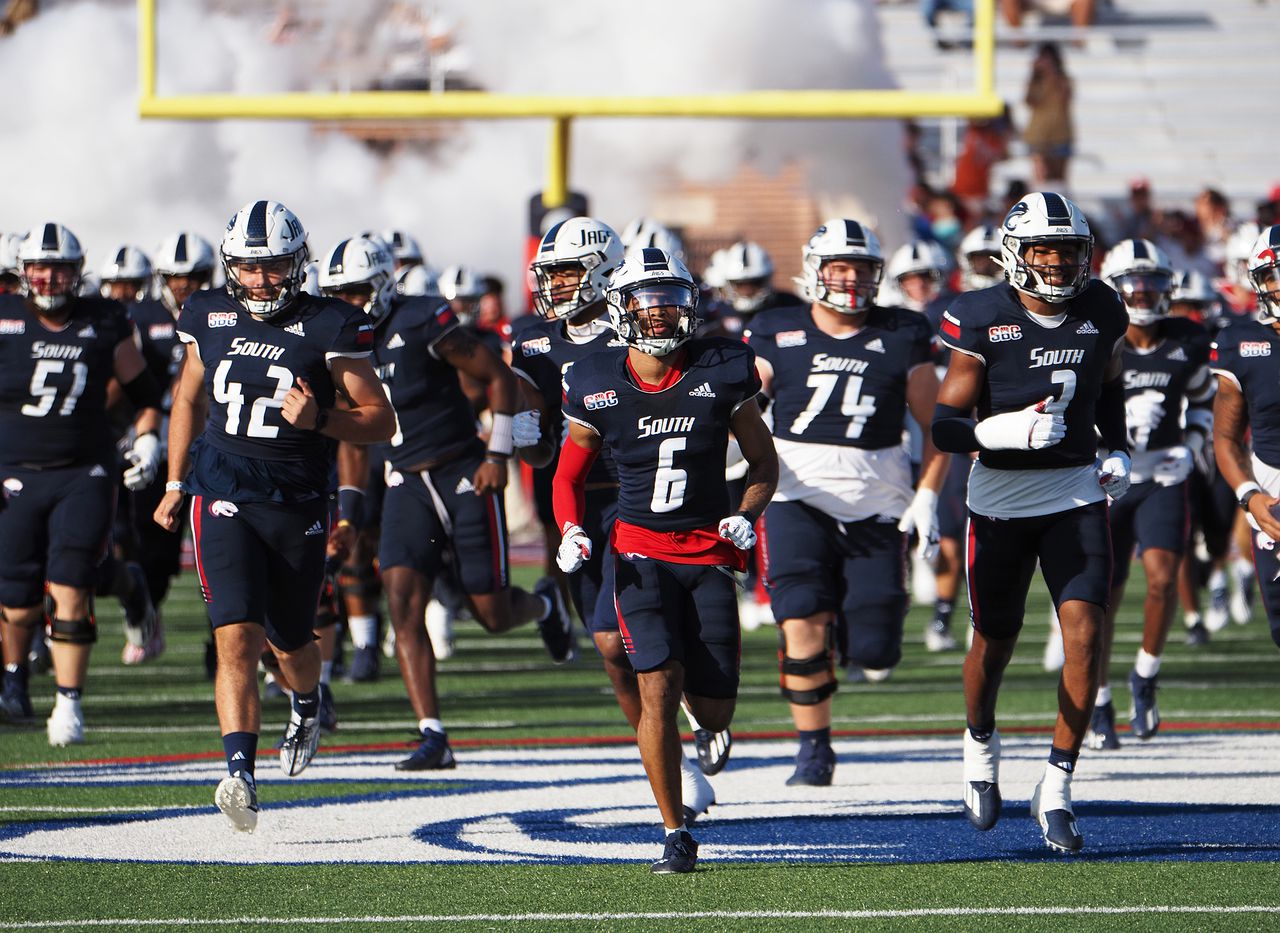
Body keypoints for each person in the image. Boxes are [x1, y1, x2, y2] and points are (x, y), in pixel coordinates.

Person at [154, 201, 395, 833]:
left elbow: (380, 419)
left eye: (275, 267)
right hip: (222, 487)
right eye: (251, 268)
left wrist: (320, 418)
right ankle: (239, 772)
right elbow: (186, 396)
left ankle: (308, 701)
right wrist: (176, 480)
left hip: (296, 498)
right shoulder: (206, 311)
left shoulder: (331, 324)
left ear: (298, 265)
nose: (262, 281)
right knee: (235, 635)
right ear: (233, 266)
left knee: (293, 639)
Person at [554, 247, 777, 874]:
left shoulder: (723, 369)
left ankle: (706, 731)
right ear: (623, 309)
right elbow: (567, 476)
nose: (661, 318)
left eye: (672, 304)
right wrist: (571, 530)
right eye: (649, 306)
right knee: (657, 686)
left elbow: (763, 464)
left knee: (713, 708)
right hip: (637, 553)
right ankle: (675, 832)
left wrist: (746, 513)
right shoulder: (597, 380)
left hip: (707, 554)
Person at [318, 234, 572, 773]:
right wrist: (348, 512)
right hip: (404, 480)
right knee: (403, 601)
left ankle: (545, 604)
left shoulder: (421, 319)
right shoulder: (335, 341)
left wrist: (497, 455)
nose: (349, 303)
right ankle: (432, 733)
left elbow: (497, 376)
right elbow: (351, 435)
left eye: (357, 290)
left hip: (462, 470)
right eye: (338, 293)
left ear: (385, 283)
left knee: (493, 613)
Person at [931, 192, 1130, 853]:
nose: (1056, 262)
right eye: (1044, 249)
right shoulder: (982, 315)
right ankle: (980, 743)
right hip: (1000, 498)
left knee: (1087, 630)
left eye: (1068, 250)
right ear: (1016, 253)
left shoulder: (1102, 306)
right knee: (995, 639)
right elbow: (945, 423)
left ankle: (1058, 782)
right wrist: (998, 428)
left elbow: (1108, 385)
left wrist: (1119, 444)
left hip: (1074, 492)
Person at [514, 215, 721, 811]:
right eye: (548, 275)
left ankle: (683, 736)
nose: (554, 286)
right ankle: (666, 751)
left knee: (612, 636)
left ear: (603, 271)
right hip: (574, 498)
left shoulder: (637, 326)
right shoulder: (530, 339)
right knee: (608, 641)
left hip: (642, 497)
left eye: (567, 273)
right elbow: (529, 418)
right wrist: (520, 429)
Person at [745, 220, 947, 785]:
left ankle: (852, 628)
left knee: (878, 652)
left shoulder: (903, 331)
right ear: (815, 270)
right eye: (840, 267)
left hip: (878, 499)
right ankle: (813, 748)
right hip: (796, 492)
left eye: (861, 267)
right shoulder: (774, 330)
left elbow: (937, 425)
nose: (851, 278)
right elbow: (742, 404)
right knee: (800, 616)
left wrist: (928, 493)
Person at [0, 223, 163, 743]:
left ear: (78, 270)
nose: (49, 278)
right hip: (14, 472)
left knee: (71, 584)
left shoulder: (105, 319)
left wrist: (148, 441)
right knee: (17, 600)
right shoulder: (4, 319)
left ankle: (68, 703)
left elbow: (144, 393)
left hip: (83, 473)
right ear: (24, 273)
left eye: (61, 268)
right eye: (40, 268)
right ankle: (14, 680)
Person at [1085, 240, 1213, 750]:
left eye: (1152, 282)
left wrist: (1195, 445)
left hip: (1163, 472)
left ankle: (1145, 675)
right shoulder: (1094, 338)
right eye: (1133, 282)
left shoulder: (1187, 339)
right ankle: (1098, 701)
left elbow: (1205, 400)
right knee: (1101, 600)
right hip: (1104, 480)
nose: (1142, 292)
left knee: (1161, 580)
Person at [1211, 224, 1280, 651]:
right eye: (1276, 274)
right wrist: (1250, 496)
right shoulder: (1241, 342)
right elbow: (1226, 437)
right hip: (1272, 491)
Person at [1022, 44, 1074, 189]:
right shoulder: (1035, 81)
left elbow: (1066, 97)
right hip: (1038, 134)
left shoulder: (1063, 79)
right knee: (1040, 180)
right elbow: (1030, 101)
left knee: (1059, 181)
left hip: (1060, 133)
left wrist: (1051, 73)